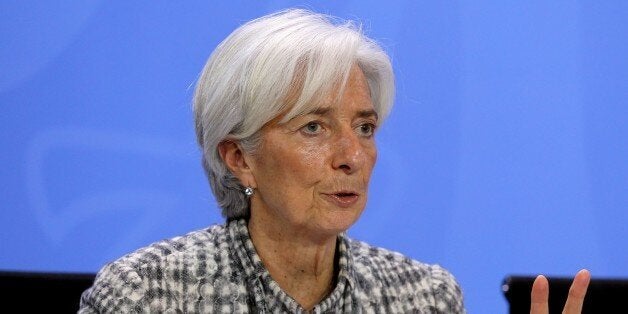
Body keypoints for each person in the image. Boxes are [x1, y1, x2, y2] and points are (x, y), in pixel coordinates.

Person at [79, 8, 589, 313]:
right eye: (313, 127)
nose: (352, 156)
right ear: (239, 158)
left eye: (364, 128)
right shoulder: (146, 296)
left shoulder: (422, 298)